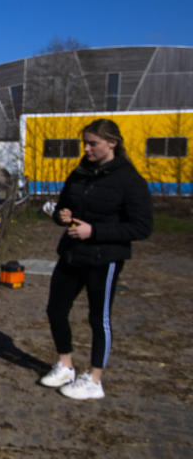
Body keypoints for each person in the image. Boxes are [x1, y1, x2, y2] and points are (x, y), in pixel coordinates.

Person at [38, 118, 152, 399]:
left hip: (105, 258)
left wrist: (95, 231)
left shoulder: (130, 180)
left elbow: (141, 227)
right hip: (72, 253)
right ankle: (65, 365)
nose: (86, 149)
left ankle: (94, 378)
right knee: (55, 309)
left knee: (98, 318)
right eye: (84, 143)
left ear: (112, 143)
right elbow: (63, 206)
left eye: (93, 144)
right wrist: (60, 215)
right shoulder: (79, 173)